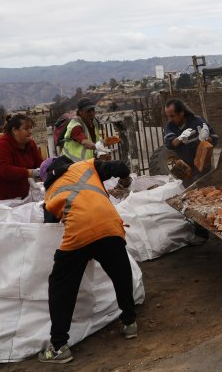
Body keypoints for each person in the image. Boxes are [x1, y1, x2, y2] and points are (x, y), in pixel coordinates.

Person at [37, 155, 137, 364]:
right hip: (109, 224)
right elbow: (119, 165)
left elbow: (49, 227)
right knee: (120, 272)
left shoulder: (50, 194)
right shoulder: (86, 166)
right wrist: (125, 180)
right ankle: (130, 323)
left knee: (61, 286)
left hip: (79, 234)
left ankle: (58, 346)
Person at [0, 114, 44, 210]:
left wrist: (46, 169)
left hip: (15, 195)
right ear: (15, 130)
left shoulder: (30, 144)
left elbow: (39, 164)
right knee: (0, 224)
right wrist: (31, 172)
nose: (30, 132)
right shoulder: (1, 144)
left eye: (31, 128)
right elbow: (5, 170)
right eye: (26, 129)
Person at [163, 99, 218, 187]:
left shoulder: (198, 121)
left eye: (172, 116)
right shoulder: (170, 126)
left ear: (181, 113)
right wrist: (180, 138)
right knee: (187, 195)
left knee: (204, 193)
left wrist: (207, 138)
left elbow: (215, 138)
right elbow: (171, 144)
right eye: (168, 116)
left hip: (202, 169)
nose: (170, 119)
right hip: (184, 170)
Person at [61, 98, 111, 162]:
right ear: (80, 112)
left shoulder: (94, 122)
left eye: (93, 110)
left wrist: (101, 154)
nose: (92, 113)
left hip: (86, 163)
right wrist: (101, 146)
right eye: (88, 111)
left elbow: (94, 143)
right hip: (71, 163)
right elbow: (86, 143)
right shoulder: (75, 126)